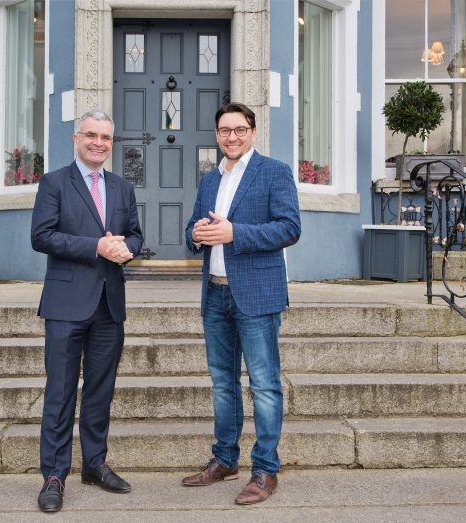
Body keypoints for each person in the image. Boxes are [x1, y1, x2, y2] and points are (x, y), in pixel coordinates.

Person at [182, 102, 301, 505]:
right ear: (216, 135)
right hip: (215, 291)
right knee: (222, 382)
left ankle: (265, 469)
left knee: (265, 385)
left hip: (256, 293)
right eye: (223, 130)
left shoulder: (274, 171)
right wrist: (196, 234)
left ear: (252, 131)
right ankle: (224, 458)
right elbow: (194, 229)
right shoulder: (208, 179)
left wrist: (237, 234)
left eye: (239, 129)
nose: (231, 136)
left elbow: (289, 228)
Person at [31, 110, 143, 513]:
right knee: (60, 392)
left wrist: (124, 247)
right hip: (65, 305)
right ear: (77, 138)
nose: (99, 143)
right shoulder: (54, 182)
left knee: (100, 390)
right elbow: (41, 236)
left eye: (106, 138)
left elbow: (135, 233)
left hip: (109, 304)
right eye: (92, 135)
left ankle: (94, 464)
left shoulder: (122, 187)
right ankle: (54, 474)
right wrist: (96, 246)